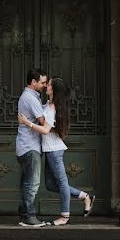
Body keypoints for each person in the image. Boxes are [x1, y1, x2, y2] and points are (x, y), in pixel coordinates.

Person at [19, 77, 94, 226]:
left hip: (54, 150)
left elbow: (45, 130)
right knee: (51, 185)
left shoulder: (52, 108)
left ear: (54, 90)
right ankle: (85, 196)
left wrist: (27, 123)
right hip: (49, 150)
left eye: (49, 84)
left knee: (62, 183)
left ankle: (64, 216)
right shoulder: (49, 104)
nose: (46, 85)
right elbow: (51, 128)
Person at [16, 68, 48, 227]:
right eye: (42, 82)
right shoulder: (30, 98)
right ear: (33, 82)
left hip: (25, 146)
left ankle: (24, 213)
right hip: (30, 146)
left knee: (26, 183)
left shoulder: (31, 97)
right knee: (32, 184)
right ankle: (29, 216)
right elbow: (43, 122)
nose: (45, 85)